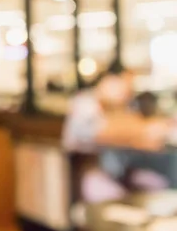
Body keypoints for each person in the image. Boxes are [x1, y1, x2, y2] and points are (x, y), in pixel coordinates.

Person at [63, 61, 172, 202]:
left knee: (159, 184)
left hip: (120, 173)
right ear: (109, 80)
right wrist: (144, 130)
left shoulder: (121, 107)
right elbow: (101, 133)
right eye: (125, 83)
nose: (128, 90)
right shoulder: (84, 103)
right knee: (116, 196)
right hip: (87, 174)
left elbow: (146, 137)